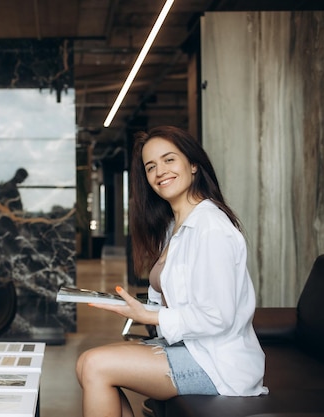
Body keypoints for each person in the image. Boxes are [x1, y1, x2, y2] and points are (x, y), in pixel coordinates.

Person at [76, 126, 268, 417]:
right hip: (188, 347)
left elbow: (219, 315)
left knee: (94, 365)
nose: (159, 172)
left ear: (193, 165)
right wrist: (137, 307)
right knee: (86, 364)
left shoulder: (211, 228)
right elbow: (174, 298)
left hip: (217, 364)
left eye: (169, 160)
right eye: (150, 166)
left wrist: (148, 315)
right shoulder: (173, 227)